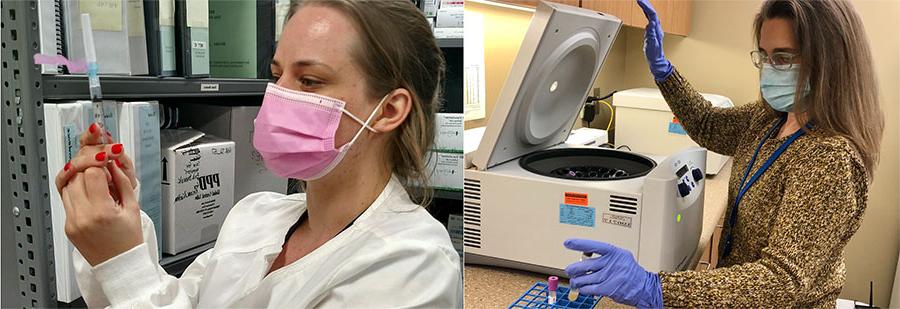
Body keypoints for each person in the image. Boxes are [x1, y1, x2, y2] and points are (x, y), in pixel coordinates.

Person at [53, 0, 462, 307]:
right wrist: (117, 231)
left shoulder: (412, 264)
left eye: (310, 81)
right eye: (276, 74)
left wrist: (124, 267)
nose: (278, 97)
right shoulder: (257, 216)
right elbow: (171, 300)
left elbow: (137, 293)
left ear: (389, 110)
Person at [563, 0, 884, 307]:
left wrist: (655, 287)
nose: (770, 70)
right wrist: (663, 71)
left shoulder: (829, 157)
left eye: (783, 58)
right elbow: (708, 124)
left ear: (828, 61)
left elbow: (780, 280)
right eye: (764, 56)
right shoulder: (769, 119)